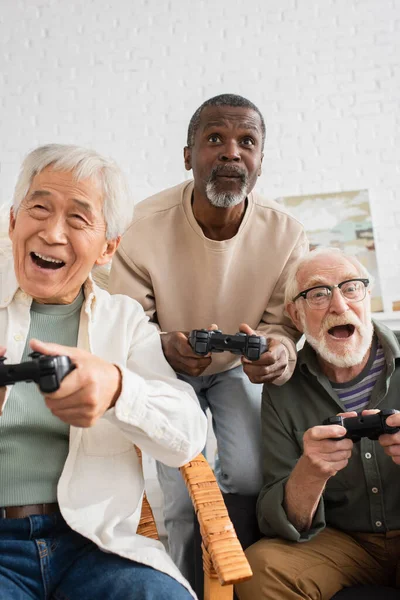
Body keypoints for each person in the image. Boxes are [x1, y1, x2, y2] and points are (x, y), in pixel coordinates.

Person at [109, 93, 308, 586]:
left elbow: (282, 325)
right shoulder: (138, 226)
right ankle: (182, 587)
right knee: (176, 493)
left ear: (260, 161)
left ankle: (240, 577)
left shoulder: (286, 232)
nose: (231, 152)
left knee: (247, 475)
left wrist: (278, 352)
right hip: (162, 365)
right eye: (214, 139)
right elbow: (127, 322)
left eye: (247, 142)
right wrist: (164, 345)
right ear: (187, 155)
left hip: (237, 368)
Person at [0, 144, 208, 600]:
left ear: (107, 247)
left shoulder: (126, 321)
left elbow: (188, 436)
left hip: (94, 545)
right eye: (39, 208)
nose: (53, 233)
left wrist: (117, 389)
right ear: (14, 220)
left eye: (78, 219)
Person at [236, 247, 400, 600]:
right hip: (343, 543)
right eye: (318, 294)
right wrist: (309, 473)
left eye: (351, 287)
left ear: (367, 296)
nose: (339, 305)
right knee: (260, 569)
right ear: (295, 316)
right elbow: (276, 521)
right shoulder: (282, 389)